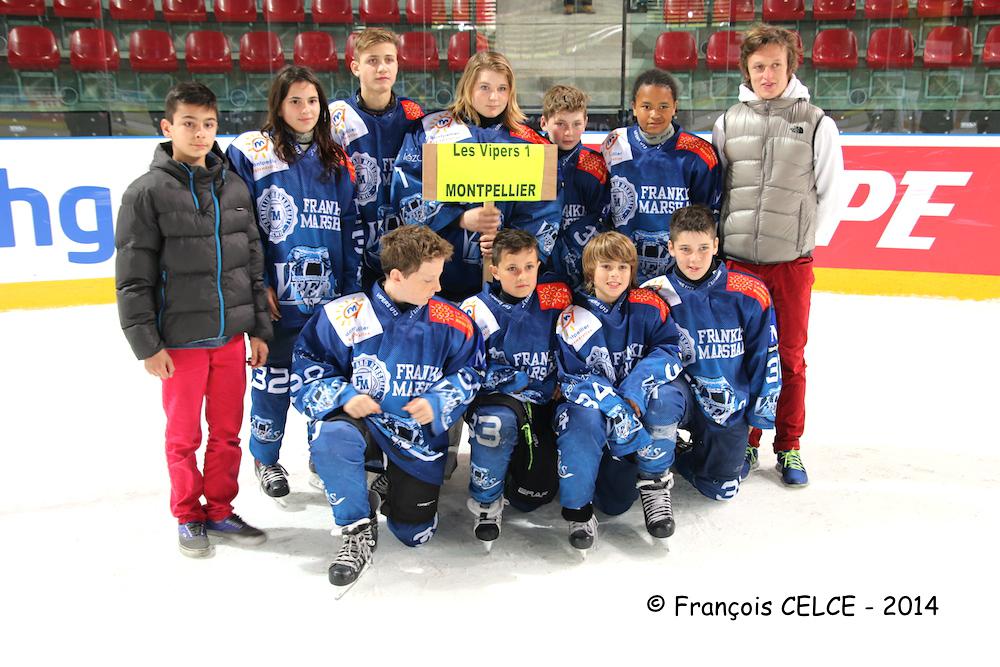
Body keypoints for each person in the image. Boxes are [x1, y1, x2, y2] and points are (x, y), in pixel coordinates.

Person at [115, 82, 272, 558]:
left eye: (208, 124)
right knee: (184, 437)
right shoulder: (145, 193)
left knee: (226, 434)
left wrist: (258, 328)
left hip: (229, 341)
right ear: (168, 127)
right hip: (180, 343)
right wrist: (147, 344)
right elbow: (132, 276)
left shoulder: (234, 187)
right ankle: (188, 515)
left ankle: (220, 509)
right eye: (188, 123)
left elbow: (252, 265)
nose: (200, 133)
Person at [291, 225, 485, 587]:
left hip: (416, 438)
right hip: (363, 423)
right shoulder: (344, 315)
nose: (438, 287)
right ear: (396, 275)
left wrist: (440, 399)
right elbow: (307, 370)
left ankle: (389, 482)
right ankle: (356, 528)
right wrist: (344, 395)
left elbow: (472, 371)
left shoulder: (453, 321)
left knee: (415, 535)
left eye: (439, 277)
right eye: (428, 279)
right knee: (332, 434)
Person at [711, 24, 844, 486]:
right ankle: (745, 442)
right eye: (759, 66)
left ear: (791, 67)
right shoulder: (728, 122)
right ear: (746, 70)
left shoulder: (817, 122)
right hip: (738, 262)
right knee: (740, 355)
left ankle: (788, 446)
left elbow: (831, 193)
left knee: (789, 357)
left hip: (790, 264)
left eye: (776, 65)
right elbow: (720, 191)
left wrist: (801, 244)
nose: (767, 75)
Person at [227, 65, 360, 503]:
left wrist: (348, 288)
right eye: (295, 101)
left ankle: (321, 457)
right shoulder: (252, 152)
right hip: (277, 300)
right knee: (273, 383)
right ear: (278, 106)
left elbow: (348, 227)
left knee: (323, 381)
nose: (306, 110)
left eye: (313, 101)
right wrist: (258, 282)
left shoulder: (335, 158)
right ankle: (265, 458)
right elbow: (240, 227)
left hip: (327, 300)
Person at [391, 51, 561, 304]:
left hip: (503, 289)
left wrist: (507, 244)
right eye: (485, 87)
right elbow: (407, 189)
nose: (494, 97)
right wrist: (458, 218)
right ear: (468, 86)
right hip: (439, 283)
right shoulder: (431, 131)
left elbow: (545, 211)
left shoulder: (531, 143)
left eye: (502, 88)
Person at [554, 231, 686, 551]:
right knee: (582, 421)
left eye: (623, 267)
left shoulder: (648, 305)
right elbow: (572, 377)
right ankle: (579, 511)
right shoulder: (573, 316)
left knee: (665, 398)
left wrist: (634, 389)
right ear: (590, 270)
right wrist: (616, 404)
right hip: (594, 408)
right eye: (606, 267)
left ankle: (654, 485)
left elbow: (670, 350)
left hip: (635, 405)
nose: (615, 275)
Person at [641, 205, 782, 500]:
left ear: (716, 245)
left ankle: (686, 456)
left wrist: (755, 418)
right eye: (685, 249)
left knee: (722, 489)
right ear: (670, 247)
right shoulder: (653, 293)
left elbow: (765, 357)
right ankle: (654, 471)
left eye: (703, 248)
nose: (694, 259)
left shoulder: (750, 292)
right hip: (679, 395)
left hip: (727, 403)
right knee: (660, 398)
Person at [459, 229, 572, 547]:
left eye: (529, 267)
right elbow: (465, 369)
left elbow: (577, 346)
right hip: (498, 400)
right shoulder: (475, 310)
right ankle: (486, 502)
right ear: (494, 270)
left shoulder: (556, 297)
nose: (522, 276)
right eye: (512, 268)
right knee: (495, 423)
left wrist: (565, 379)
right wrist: (511, 380)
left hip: (545, 401)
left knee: (532, 494)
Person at [602, 69, 723, 284]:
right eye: (646, 106)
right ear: (634, 107)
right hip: (623, 271)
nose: (655, 114)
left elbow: (708, 218)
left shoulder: (699, 153)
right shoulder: (616, 143)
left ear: (675, 107)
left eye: (663, 106)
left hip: (680, 273)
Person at [329, 27, 425, 289]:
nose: (382, 67)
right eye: (372, 60)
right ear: (355, 67)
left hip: (405, 245)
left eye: (388, 59)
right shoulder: (338, 118)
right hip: (354, 242)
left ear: (397, 65)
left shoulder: (413, 114)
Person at [539, 84, 610, 289]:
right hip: (535, 267)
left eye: (576, 123)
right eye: (560, 124)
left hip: (582, 268)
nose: (569, 132)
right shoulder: (530, 160)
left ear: (586, 122)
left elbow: (603, 216)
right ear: (544, 122)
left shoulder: (596, 166)